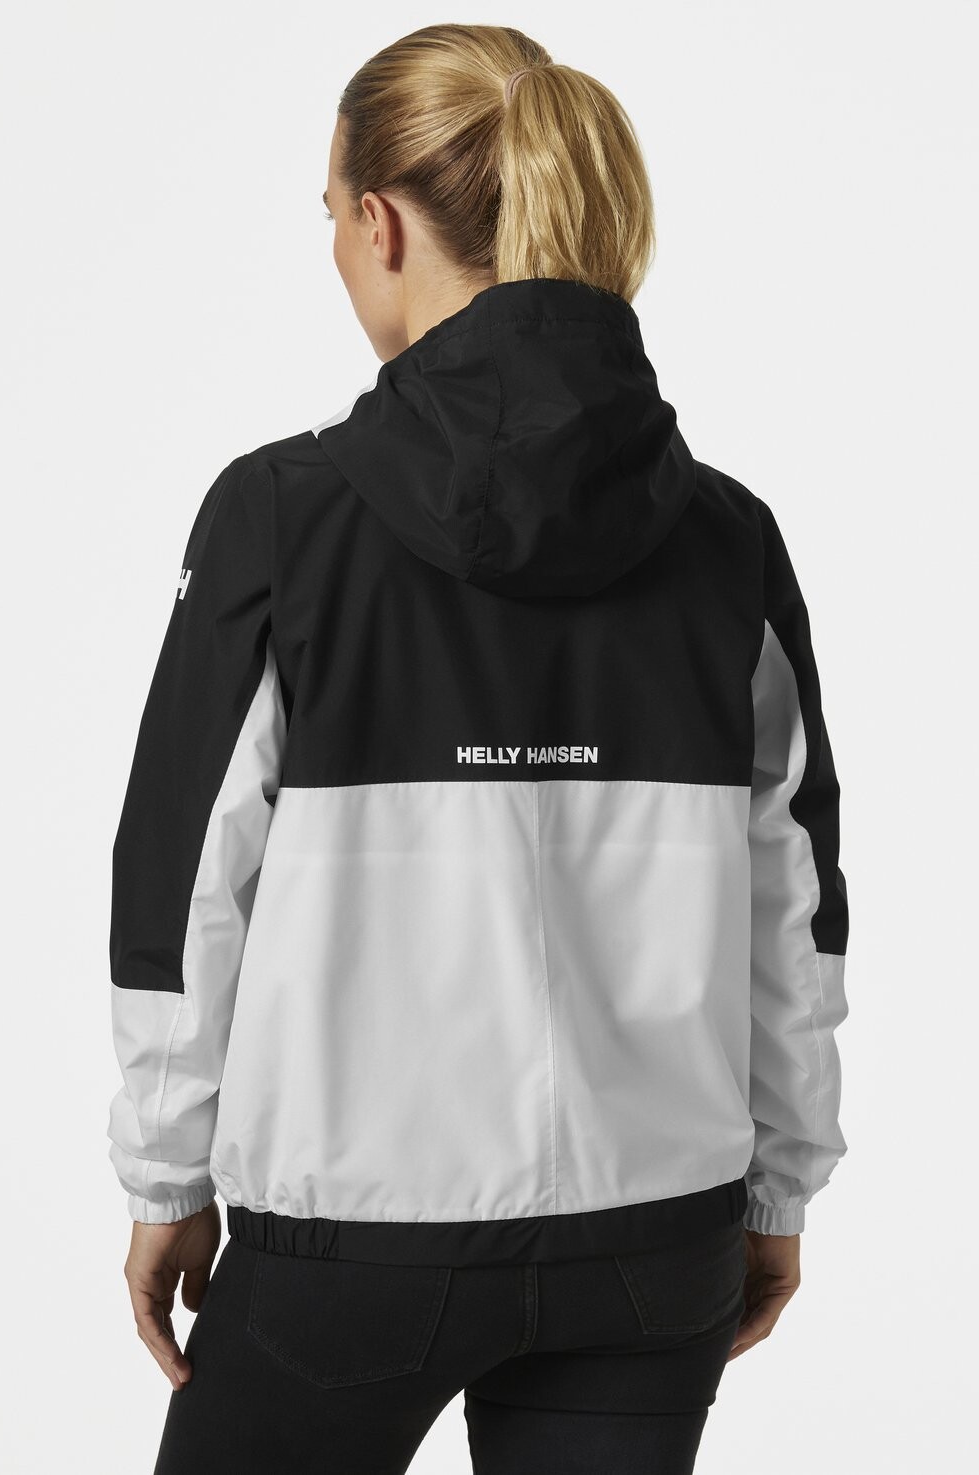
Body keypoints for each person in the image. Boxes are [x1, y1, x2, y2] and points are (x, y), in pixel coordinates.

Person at [106, 22, 851, 1475]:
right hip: (657, 1245)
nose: (337, 246)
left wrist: (164, 1174)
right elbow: (798, 903)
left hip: (349, 1252)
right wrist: (779, 1189)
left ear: (380, 224)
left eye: (332, 212)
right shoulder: (728, 541)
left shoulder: (281, 520)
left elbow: (181, 886)